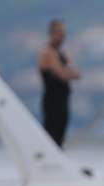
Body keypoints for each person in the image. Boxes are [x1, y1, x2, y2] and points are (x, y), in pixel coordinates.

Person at [38, 19, 81, 148]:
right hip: (52, 100)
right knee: (51, 134)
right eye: (59, 32)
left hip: (63, 99)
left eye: (63, 33)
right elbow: (61, 74)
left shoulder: (61, 53)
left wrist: (68, 72)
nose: (62, 36)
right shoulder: (47, 52)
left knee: (61, 134)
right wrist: (68, 73)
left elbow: (76, 73)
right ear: (52, 33)